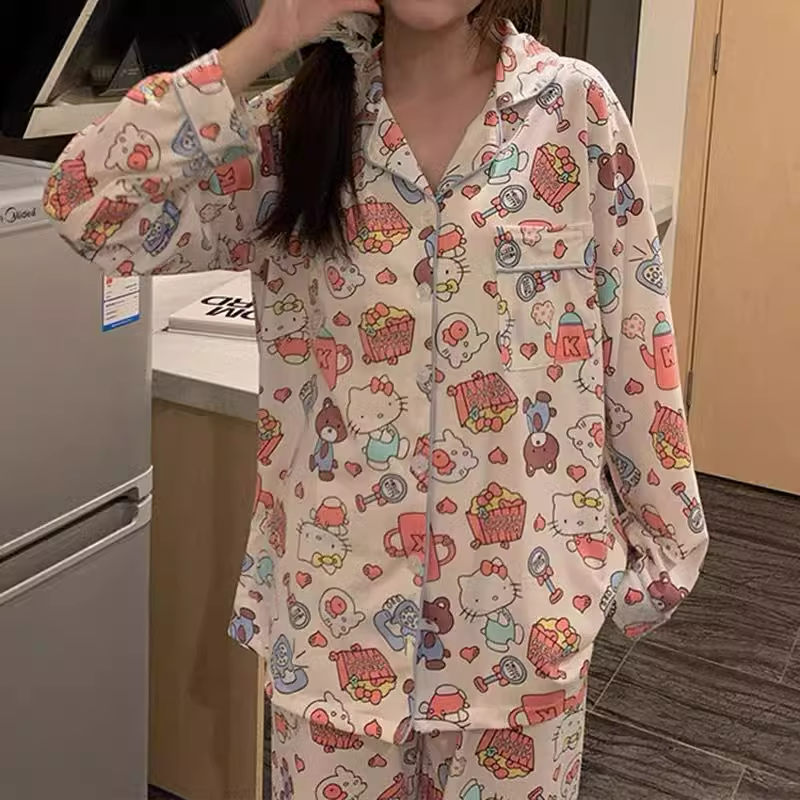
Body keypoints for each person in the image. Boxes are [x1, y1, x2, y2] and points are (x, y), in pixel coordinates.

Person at [44, 1, 709, 797]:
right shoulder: (292, 132)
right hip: (334, 638)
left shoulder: (573, 112)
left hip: (522, 638)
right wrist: (271, 36)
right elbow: (84, 205)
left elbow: (636, 344)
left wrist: (651, 568)